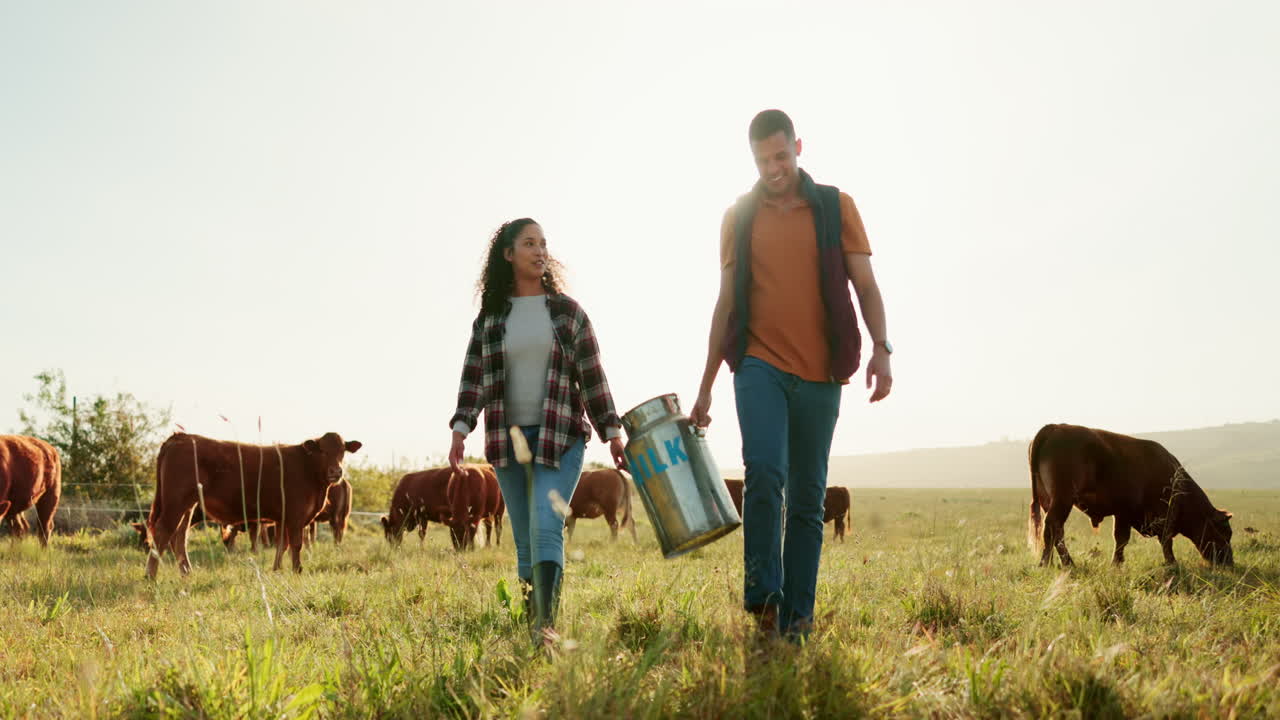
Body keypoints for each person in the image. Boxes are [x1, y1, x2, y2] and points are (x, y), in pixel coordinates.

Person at [690, 110, 894, 640]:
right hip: (758, 365)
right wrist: (707, 386)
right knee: (763, 472)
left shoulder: (835, 207)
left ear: (798, 146)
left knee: (807, 499)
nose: (774, 169)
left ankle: (797, 621)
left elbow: (866, 286)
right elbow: (725, 303)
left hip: (822, 374)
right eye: (762, 161)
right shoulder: (738, 217)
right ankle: (763, 602)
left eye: (781, 156)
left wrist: (881, 348)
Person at [448, 217, 627, 648]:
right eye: (529, 243)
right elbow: (474, 377)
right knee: (525, 541)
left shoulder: (567, 313)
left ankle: (547, 631)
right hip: (508, 442)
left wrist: (612, 432)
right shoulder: (491, 318)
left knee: (547, 525)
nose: (539, 250)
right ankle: (532, 631)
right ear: (508, 255)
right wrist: (460, 428)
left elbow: (592, 375)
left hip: (560, 435)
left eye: (543, 243)